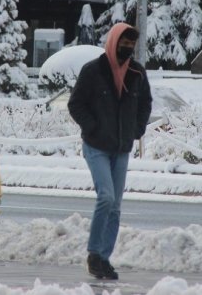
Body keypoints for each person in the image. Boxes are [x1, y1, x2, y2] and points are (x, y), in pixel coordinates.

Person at [67, 22, 152, 280]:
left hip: (121, 148)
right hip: (96, 146)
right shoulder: (93, 71)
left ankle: (104, 258)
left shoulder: (137, 72)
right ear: (113, 42)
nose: (127, 49)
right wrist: (92, 127)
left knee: (115, 207)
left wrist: (137, 128)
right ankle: (94, 253)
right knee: (105, 197)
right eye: (123, 44)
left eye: (131, 45)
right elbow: (75, 104)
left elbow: (145, 103)